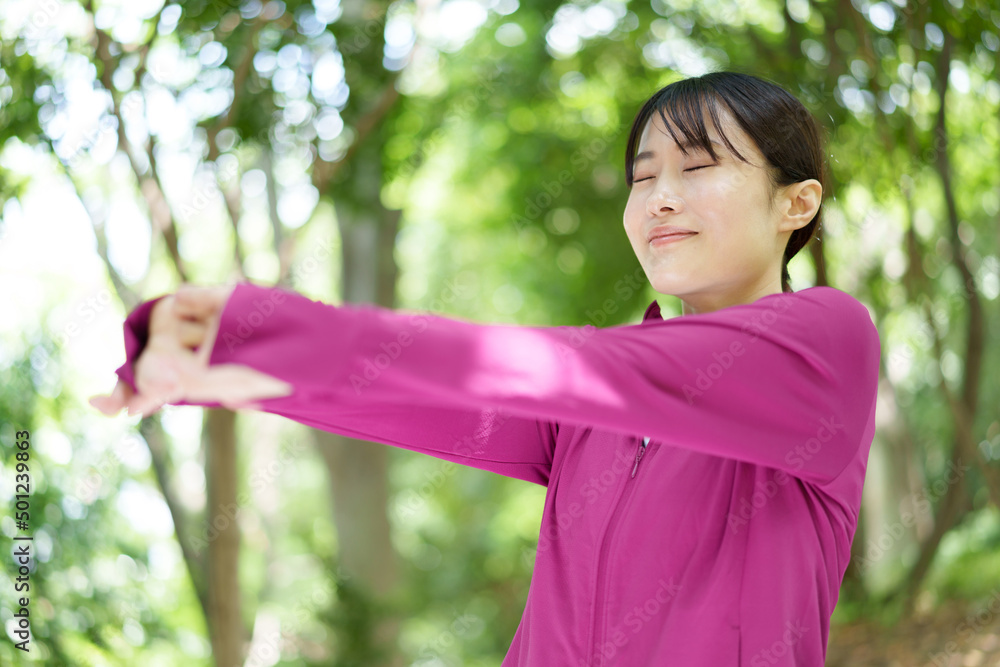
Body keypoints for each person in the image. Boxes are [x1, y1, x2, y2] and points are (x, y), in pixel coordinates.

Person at [91, 70, 881, 666]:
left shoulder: (825, 345)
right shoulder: (599, 401)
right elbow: (411, 387)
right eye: (642, 177)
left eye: (698, 166)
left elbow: (554, 368)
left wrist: (257, 324)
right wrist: (221, 356)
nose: (658, 200)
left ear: (796, 203)